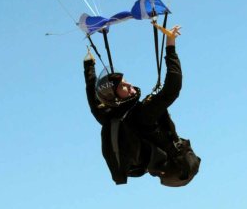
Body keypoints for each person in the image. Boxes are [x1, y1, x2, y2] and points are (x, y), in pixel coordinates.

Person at [83, 24, 200, 186]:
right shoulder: (143, 114)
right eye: (123, 86)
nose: (130, 84)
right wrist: (170, 45)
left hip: (167, 165)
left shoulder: (108, 115)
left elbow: (93, 99)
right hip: (178, 166)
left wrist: (88, 67)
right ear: (116, 98)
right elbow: (172, 88)